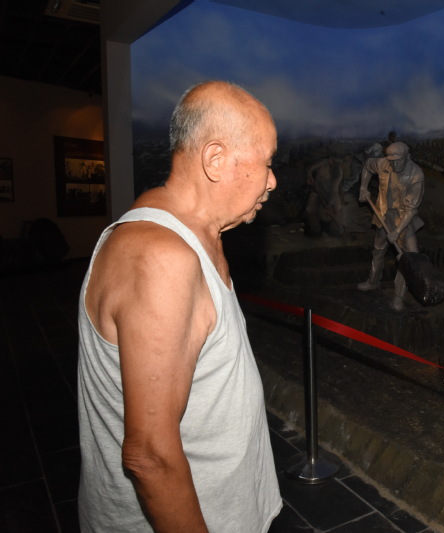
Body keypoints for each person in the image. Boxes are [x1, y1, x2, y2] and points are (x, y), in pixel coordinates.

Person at [77, 81, 282, 532]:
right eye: (266, 162)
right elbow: (149, 455)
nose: (272, 180)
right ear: (215, 159)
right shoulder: (161, 257)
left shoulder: (188, 233)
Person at [357, 142, 425, 311]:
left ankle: (398, 296)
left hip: (403, 218)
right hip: (383, 214)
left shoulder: (416, 174)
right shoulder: (382, 163)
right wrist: (363, 187)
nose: (393, 164)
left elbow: (411, 210)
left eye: (397, 160)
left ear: (407, 157)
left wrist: (397, 231)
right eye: (391, 160)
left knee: (408, 255)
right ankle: (373, 281)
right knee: (378, 249)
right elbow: (367, 166)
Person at [305, 154, 344, 236]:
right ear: (331, 159)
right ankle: (315, 229)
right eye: (333, 160)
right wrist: (309, 176)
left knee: (338, 208)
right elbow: (310, 169)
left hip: (331, 193)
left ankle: (335, 229)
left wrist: (330, 203)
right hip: (317, 191)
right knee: (310, 209)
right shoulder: (323, 163)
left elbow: (334, 190)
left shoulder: (338, 173)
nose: (334, 163)